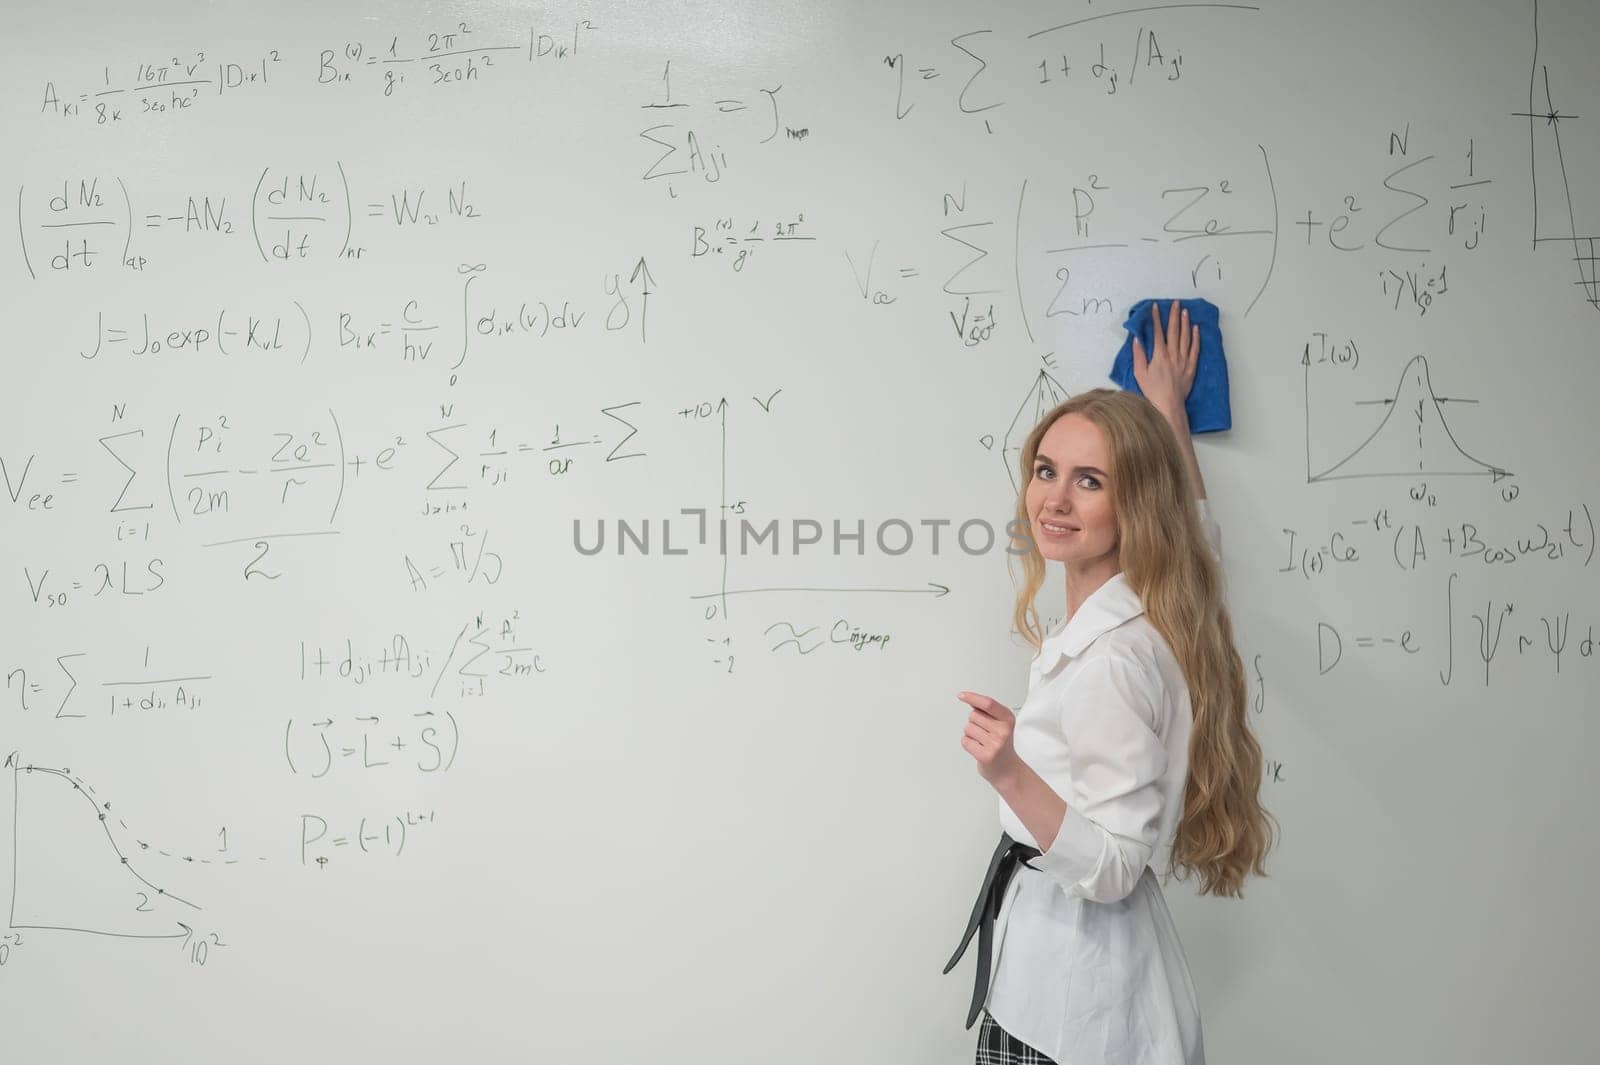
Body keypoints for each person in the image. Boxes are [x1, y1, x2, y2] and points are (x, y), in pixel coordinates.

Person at [945, 301, 1277, 1064]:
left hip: (1066, 1013)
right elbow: (1200, 538)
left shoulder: (1114, 662)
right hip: (1066, 987)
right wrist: (1165, 412)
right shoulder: (1166, 604)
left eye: (1089, 481)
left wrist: (1007, 769)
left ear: (1135, 504)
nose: (1054, 499)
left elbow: (1115, 867)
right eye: (1045, 470)